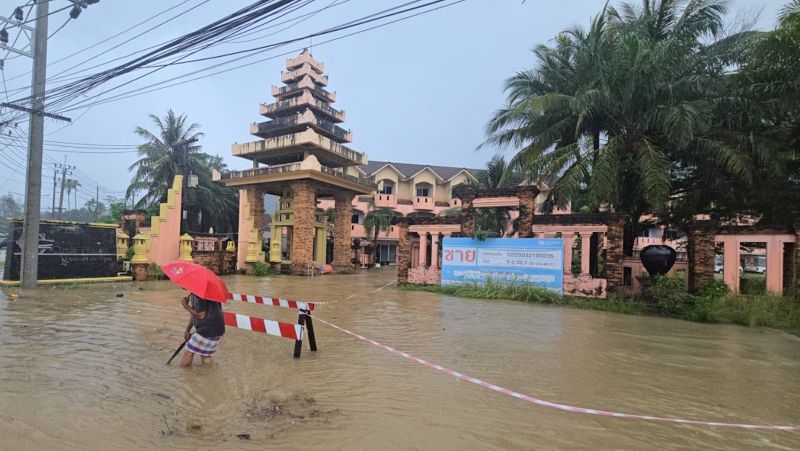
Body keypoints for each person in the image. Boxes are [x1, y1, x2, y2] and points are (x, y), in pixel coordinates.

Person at [180, 293, 225, 367]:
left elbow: (200, 315)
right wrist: (187, 330)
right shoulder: (198, 293)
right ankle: (211, 375)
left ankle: (184, 376)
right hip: (217, 327)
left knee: (189, 352)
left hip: (208, 327)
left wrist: (185, 305)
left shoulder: (198, 294)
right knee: (205, 356)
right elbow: (195, 313)